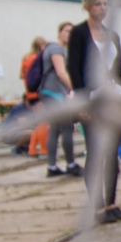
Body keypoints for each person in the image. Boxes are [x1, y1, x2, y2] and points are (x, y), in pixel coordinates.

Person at [65, 0, 121, 224]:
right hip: (92, 99)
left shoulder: (112, 35)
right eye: (98, 4)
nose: (103, 8)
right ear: (88, 6)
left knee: (112, 153)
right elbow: (74, 68)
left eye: (105, 4)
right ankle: (97, 206)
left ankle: (111, 202)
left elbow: (119, 70)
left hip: (113, 97)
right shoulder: (79, 33)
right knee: (96, 151)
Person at [36, 22, 78, 177]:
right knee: (67, 127)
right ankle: (71, 164)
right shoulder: (56, 49)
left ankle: (52, 166)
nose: (69, 34)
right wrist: (74, 89)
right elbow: (61, 72)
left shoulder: (57, 49)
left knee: (54, 128)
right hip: (54, 95)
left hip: (51, 93)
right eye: (66, 31)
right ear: (59, 32)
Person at [20, 37, 46, 104]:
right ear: (40, 46)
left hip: (28, 91)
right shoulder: (37, 59)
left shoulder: (26, 57)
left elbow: (22, 75)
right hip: (37, 93)